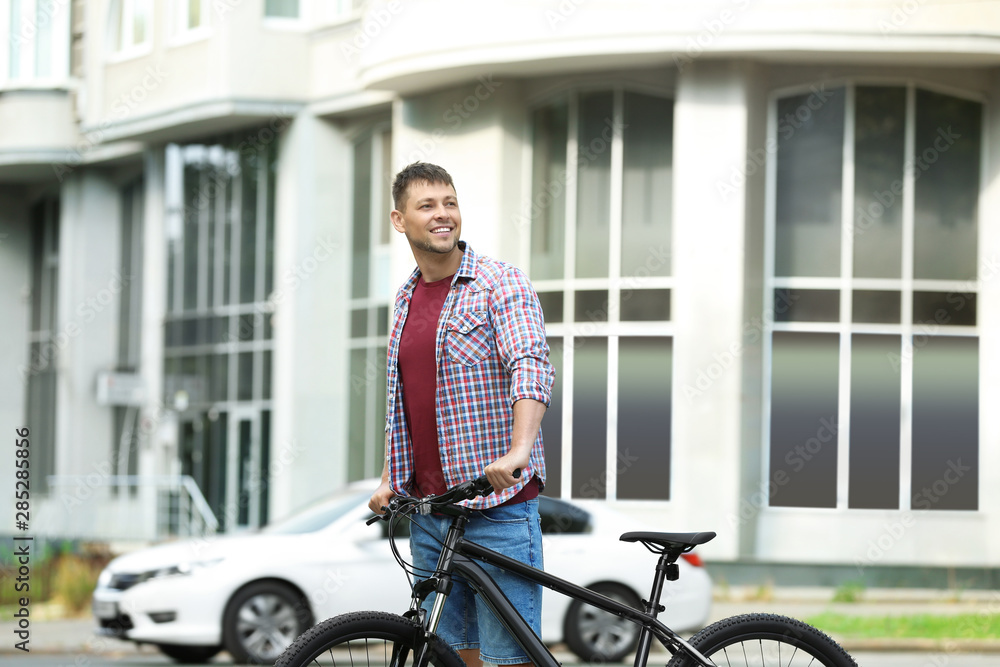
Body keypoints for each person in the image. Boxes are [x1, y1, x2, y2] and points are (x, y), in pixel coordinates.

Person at [368, 162, 554, 667]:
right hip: (430, 514)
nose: (443, 214)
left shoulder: (500, 283)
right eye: (427, 205)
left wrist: (518, 450)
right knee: (449, 656)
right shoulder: (406, 301)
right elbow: (405, 402)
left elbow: (530, 365)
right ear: (399, 219)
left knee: (507, 659)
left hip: (498, 507)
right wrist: (390, 477)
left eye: (449, 202)